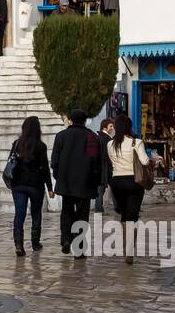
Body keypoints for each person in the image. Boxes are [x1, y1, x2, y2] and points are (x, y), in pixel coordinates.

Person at [51, 109, 102, 257]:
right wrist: (95, 180)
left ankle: (66, 239)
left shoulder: (61, 136)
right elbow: (95, 161)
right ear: (85, 121)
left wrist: (58, 176)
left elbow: (55, 160)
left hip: (66, 181)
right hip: (85, 182)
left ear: (71, 120)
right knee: (82, 215)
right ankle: (79, 248)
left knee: (66, 211)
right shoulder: (92, 137)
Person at [106, 114, 153, 264]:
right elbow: (144, 160)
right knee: (133, 215)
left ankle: (126, 244)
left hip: (116, 182)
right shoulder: (136, 142)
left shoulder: (110, 144)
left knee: (124, 215)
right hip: (134, 181)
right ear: (129, 127)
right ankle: (130, 249)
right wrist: (153, 160)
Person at [7, 115, 52, 257]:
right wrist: (50, 188)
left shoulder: (16, 144)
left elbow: (10, 162)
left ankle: (19, 245)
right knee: (36, 213)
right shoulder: (40, 146)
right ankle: (35, 243)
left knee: (19, 213)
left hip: (18, 184)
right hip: (35, 184)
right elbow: (45, 169)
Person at [95, 117, 115, 213]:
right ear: (104, 127)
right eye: (110, 126)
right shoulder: (106, 139)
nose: (112, 128)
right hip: (106, 168)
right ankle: (99, 209)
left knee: (101, 190)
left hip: (102, 169)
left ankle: (99, 209)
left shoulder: (99, 137)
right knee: (109, 189)